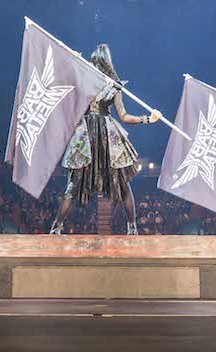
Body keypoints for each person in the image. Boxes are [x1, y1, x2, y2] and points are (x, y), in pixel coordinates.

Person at [49, 44, 161, 236]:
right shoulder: (107, 84)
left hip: (86, 135)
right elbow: (124, 116)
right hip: (105, 135)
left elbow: (62, 83)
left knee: (73, 184)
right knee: (123, 184)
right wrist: (148, 119)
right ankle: (132, 227)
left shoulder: (85, 79)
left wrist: (70, 63)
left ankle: (56, 226)